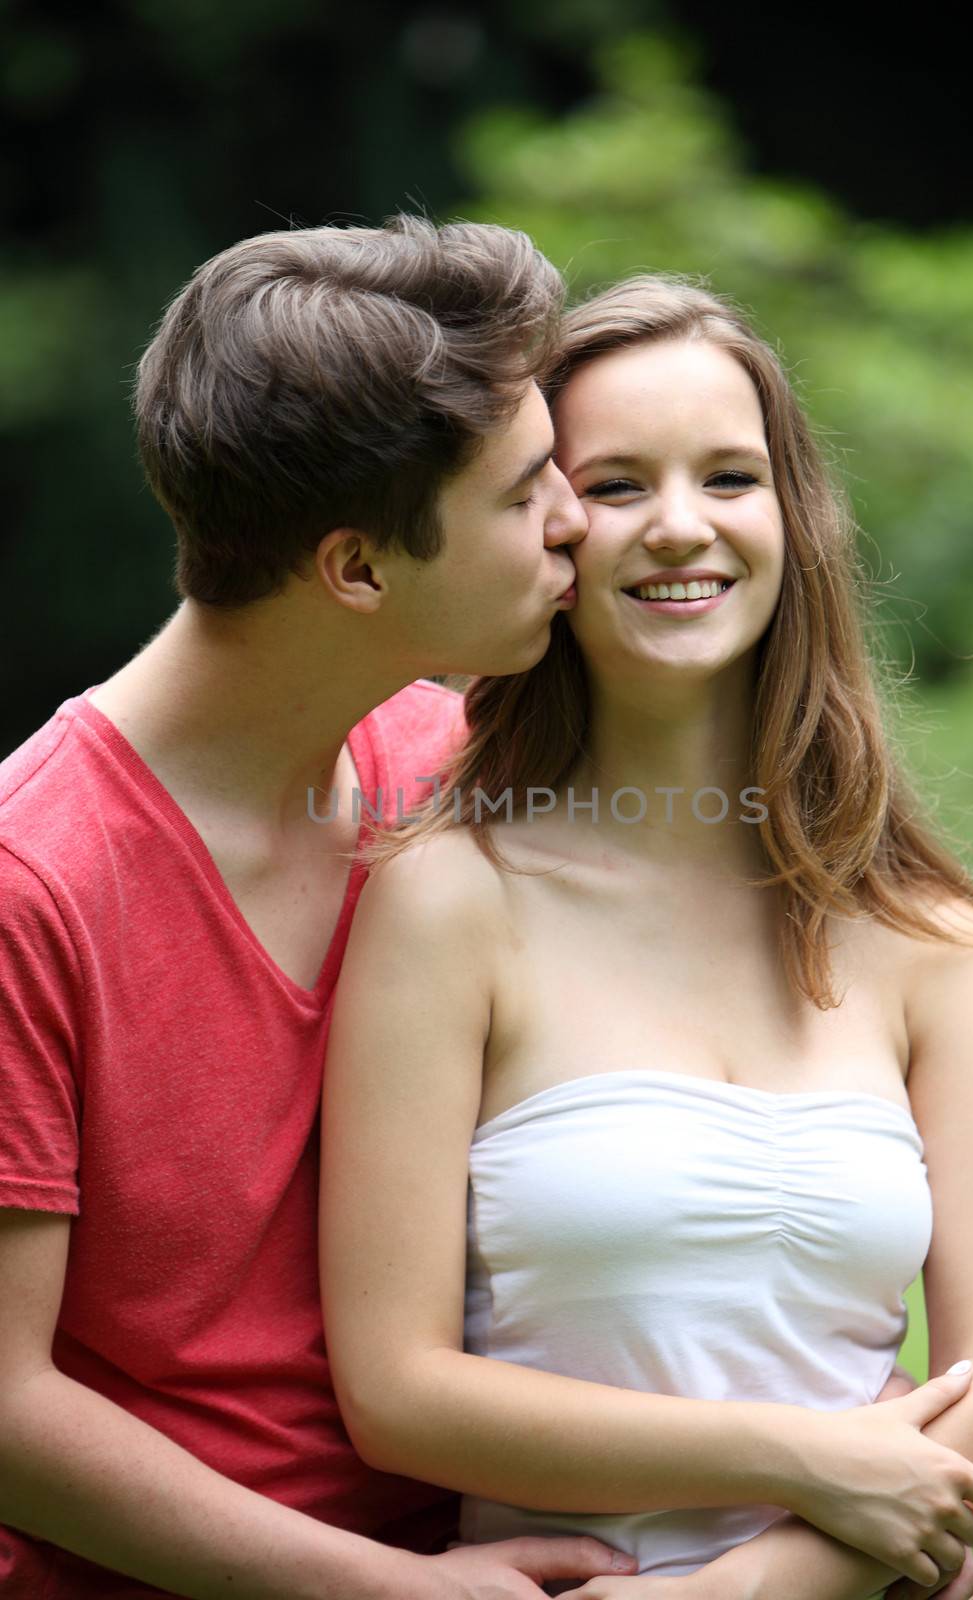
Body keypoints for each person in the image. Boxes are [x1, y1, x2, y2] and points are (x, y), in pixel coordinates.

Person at [319, 276, 973, 1600]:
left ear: (793, 518)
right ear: (549, 533)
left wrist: (748, 1589)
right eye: (614, 488)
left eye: (728, 477)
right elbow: (396, 1390)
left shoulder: (924, 933)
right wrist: (809, 1456)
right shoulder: (450, 900)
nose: (678, 528)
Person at [0, 218, 648, 1599]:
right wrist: (396, 1593)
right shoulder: (29, 890)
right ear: (355, 568)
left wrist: (833, 1461)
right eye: (526, 489)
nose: (575, 521)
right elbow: (5, 1412)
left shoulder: (450, 761)